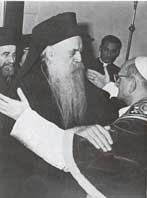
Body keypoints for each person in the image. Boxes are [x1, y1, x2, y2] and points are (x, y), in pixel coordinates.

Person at [0, 56, 146, 198]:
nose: (116, 82)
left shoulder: (136, 125)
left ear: (132, 84)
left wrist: (25, 118)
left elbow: (78, 152)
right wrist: (108, 87)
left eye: (119, 78)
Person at [14, 12, 119, 130]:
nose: (79, 59)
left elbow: (108, 114)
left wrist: (108, 87)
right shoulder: (29, 88)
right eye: (72, 52)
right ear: (50, 54)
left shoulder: (78, 77)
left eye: (80, 51)